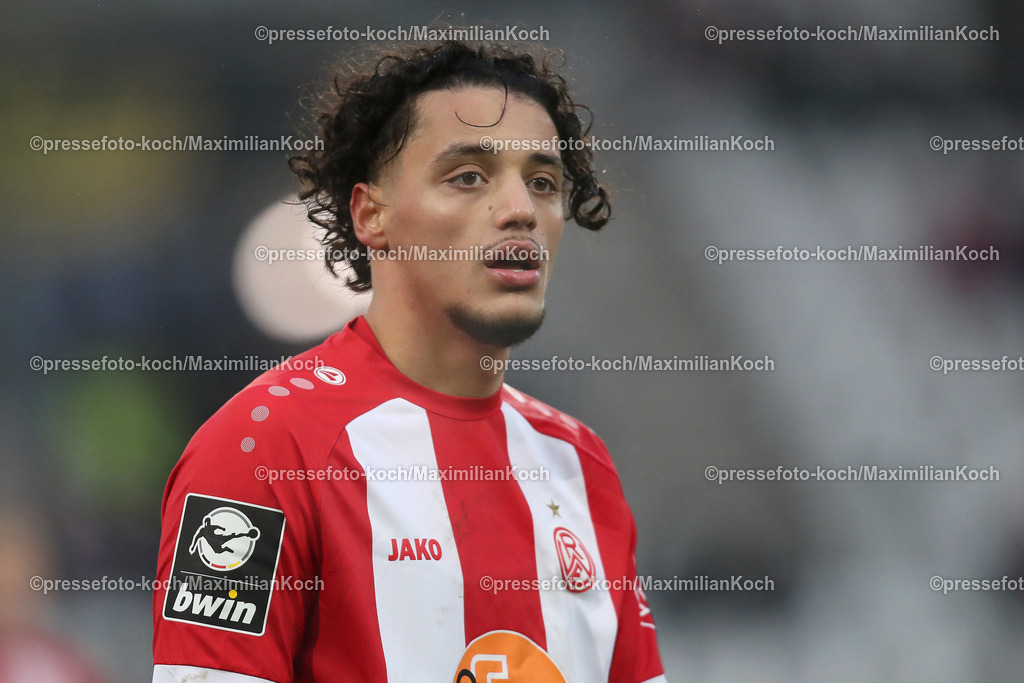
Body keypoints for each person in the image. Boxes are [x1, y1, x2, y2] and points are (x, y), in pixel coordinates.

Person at [152, 39, 666, 682]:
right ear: (372, 214)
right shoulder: (262, 449)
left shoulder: (580, 466)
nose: (519, 212)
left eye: (543, 182)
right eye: (468, 176)